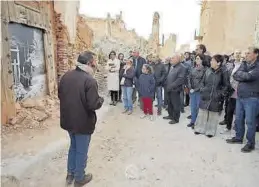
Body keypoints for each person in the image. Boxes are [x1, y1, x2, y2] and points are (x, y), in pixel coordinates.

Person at [58, 51, 104, 186]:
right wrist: (101, 100)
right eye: (94, 61)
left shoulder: (66, 76)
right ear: (89, 63)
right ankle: (79, 178)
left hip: (68, 120)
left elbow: (61, 96)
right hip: (83, 122)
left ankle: (70, 174)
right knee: (81, 150)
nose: (96, 64)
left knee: (73, 147)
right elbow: (93, 104)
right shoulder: (90, 80)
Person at [226, 47, 259, 153]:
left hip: (252, 98)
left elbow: (249, 77)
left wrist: (244, 75)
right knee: (239, 119)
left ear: (256, 54)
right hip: (240, 97)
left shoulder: (257, 66)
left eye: (249, 53)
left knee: (250, 122)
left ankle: (250, 144)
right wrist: (244, 75)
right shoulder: (244, 64)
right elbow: (235, 75)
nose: (246, 55)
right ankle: (238, 138)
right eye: (246, 53)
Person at [194, 54, 229, 138]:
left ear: (219, 63)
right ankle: (199, 129)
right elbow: (203, 81)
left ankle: (210, 131)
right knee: (202, 113)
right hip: (206, 94)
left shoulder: (223, 72)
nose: (211, 62)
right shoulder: (208, 70)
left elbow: (226, 86)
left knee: (213, 115)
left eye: (213, 61)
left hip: (216, 97)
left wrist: (220, 94)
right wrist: (202, 89)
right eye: (211, 60)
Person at [163, 53, 186, 124]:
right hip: (169, 88)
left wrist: (171, 86)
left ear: (178, 59)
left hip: (175, 90)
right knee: (170, 103)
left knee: (175, 105)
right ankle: (170, 115)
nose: (171, 59)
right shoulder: (173, 66)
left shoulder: (182, 67)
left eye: (173, 58)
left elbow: (180, 80)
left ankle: (176, 119)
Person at [222, 50, 242, 132]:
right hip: (231, 91)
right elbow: (227, 76)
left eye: (239, 53)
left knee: (238, 112)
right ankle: (228, 126)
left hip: (240, 91)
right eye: (236, 53)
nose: (238, 55)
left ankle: (237, 126)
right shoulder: (230, 65)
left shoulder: (243, 65)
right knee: (229, 109)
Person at [187, 54, 207, 128]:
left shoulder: (205, 69)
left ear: (202, 60)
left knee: (198, 108)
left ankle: (198, 123)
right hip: (192, 90)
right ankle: (192, 121)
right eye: (196, 58)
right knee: (192, 107)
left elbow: (203, 81)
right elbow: (189, 77)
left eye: (198, 58)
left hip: (199, 91)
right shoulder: (193, 68)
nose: (197, 60)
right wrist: (190, 87)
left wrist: (195, 89)